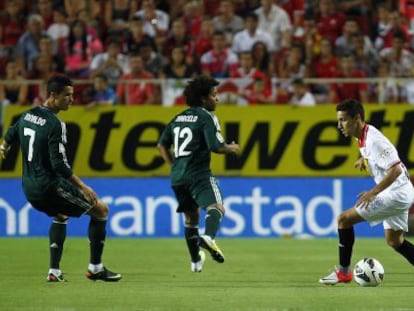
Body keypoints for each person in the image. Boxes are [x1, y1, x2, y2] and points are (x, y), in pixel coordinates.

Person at [0, 75, 122, 283]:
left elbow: (10, 136)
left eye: (72, 95)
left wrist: (2, 148)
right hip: (48, 185)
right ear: (53, 95)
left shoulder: (27, 115)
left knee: (61, 214)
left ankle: (54, 272)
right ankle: (96, 268)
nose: (72, 100)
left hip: (28, 187)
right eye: (67, 96)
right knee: (101, 210)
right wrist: (83, 186)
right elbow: (59, 164)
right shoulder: (55, 124)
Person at [319, 99, 414, 285]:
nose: (339, 125)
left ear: (357, 118)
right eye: (338, 120)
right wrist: (364, 160)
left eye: (343, 120)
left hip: (396, 193)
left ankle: (343, 273)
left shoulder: (374, 140)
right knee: (395, 241)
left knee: (343, 219)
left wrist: (373, 193)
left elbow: (395, 169)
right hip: (400, 192)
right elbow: (379, 159)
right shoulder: (361, 136)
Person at [157, 75, 240, 272]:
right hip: (199, 174)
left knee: (191, 219)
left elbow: (161, 145)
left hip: (177, 177)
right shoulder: (207, 116)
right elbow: (216, 146)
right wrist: (231, 147)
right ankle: (209, 237)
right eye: (214, 95)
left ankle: (195, 262)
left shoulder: (178, 117)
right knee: (217, 207)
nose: (217, 99)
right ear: (203, 98)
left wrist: (174, 165)